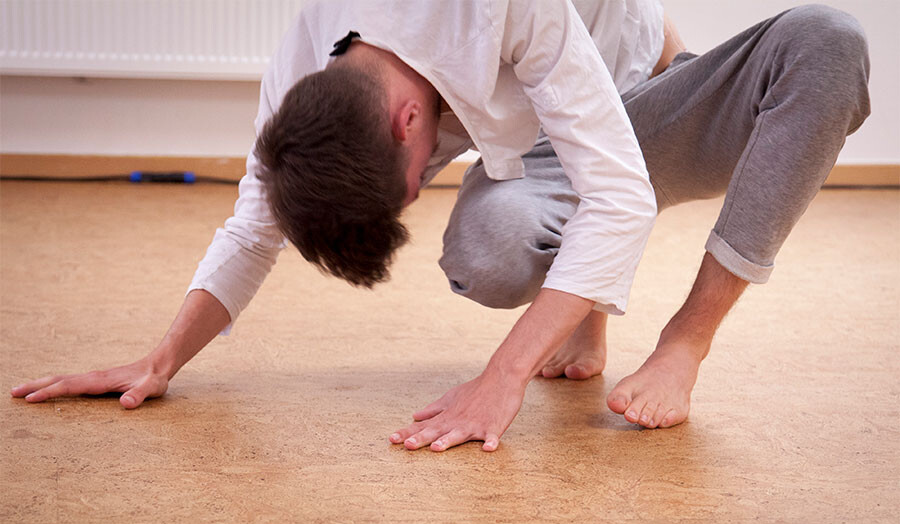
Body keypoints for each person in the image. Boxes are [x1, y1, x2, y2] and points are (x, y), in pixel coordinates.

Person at [12, 1, 870, 452]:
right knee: (491, 252)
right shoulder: (316, 48)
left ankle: (686, 341)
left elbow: (617, 190)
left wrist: (499, 378)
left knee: (827, 41)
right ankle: (584, 322)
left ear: (405, 121)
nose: (417, 195)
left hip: (637, 103)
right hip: (540, 148)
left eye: (410, 180)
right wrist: (161, 359)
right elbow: (255, 220)